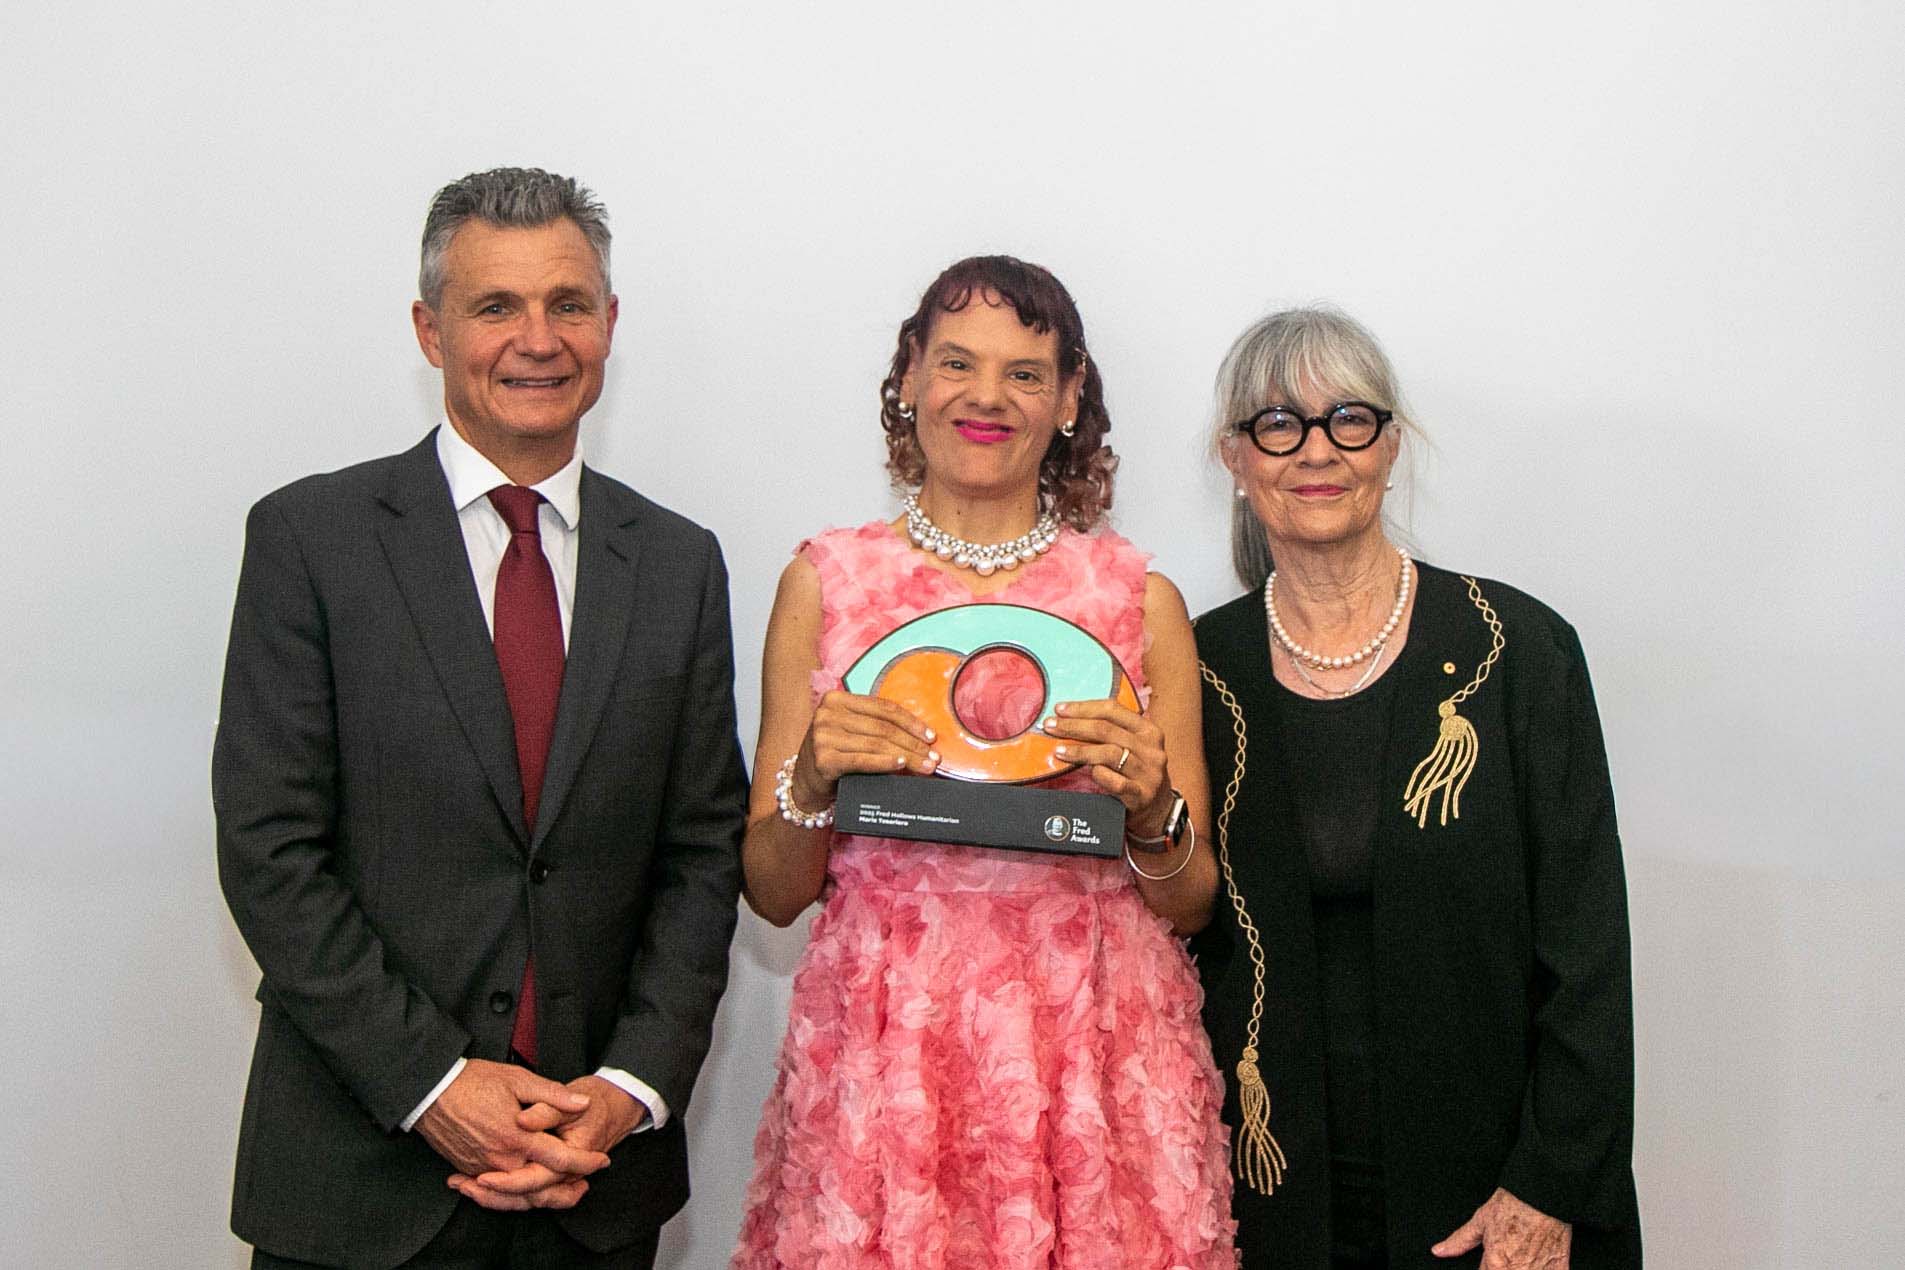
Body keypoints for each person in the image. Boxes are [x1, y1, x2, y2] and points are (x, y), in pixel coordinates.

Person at [213, 167, 748, 1268]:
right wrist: (433, 1083)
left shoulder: (681, 564)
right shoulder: (311, 540)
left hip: (589, 1179)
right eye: (495, 305)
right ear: (429, 328)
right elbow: (270, 851)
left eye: (569, 303)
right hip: (360, 1181)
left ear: (609, 322)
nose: (538, 338)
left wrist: (629, 1087)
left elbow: (701, 854)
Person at [731, 256, 1238, 1268]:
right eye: (958, 361)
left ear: (1069, 397)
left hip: (1092, 1054)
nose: (987, 395)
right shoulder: (825, 585)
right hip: (889, 1058)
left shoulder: (1140, 603)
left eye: (1025, 370)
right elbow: (774, 892)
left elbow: (1190, 900)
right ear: (910, 374)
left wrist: (1150, 808)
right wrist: (812, 780)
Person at [1190, 307, 1641, 1269]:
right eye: (1277, 423)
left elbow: (1587, 946)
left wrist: (1549, 1185)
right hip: (1265, 1196)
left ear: (1390, 444)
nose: (1316, 450)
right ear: (1235, 457)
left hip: (1489, 1197)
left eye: (1348, 418)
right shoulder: (1194, 668)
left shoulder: (1516, 649)